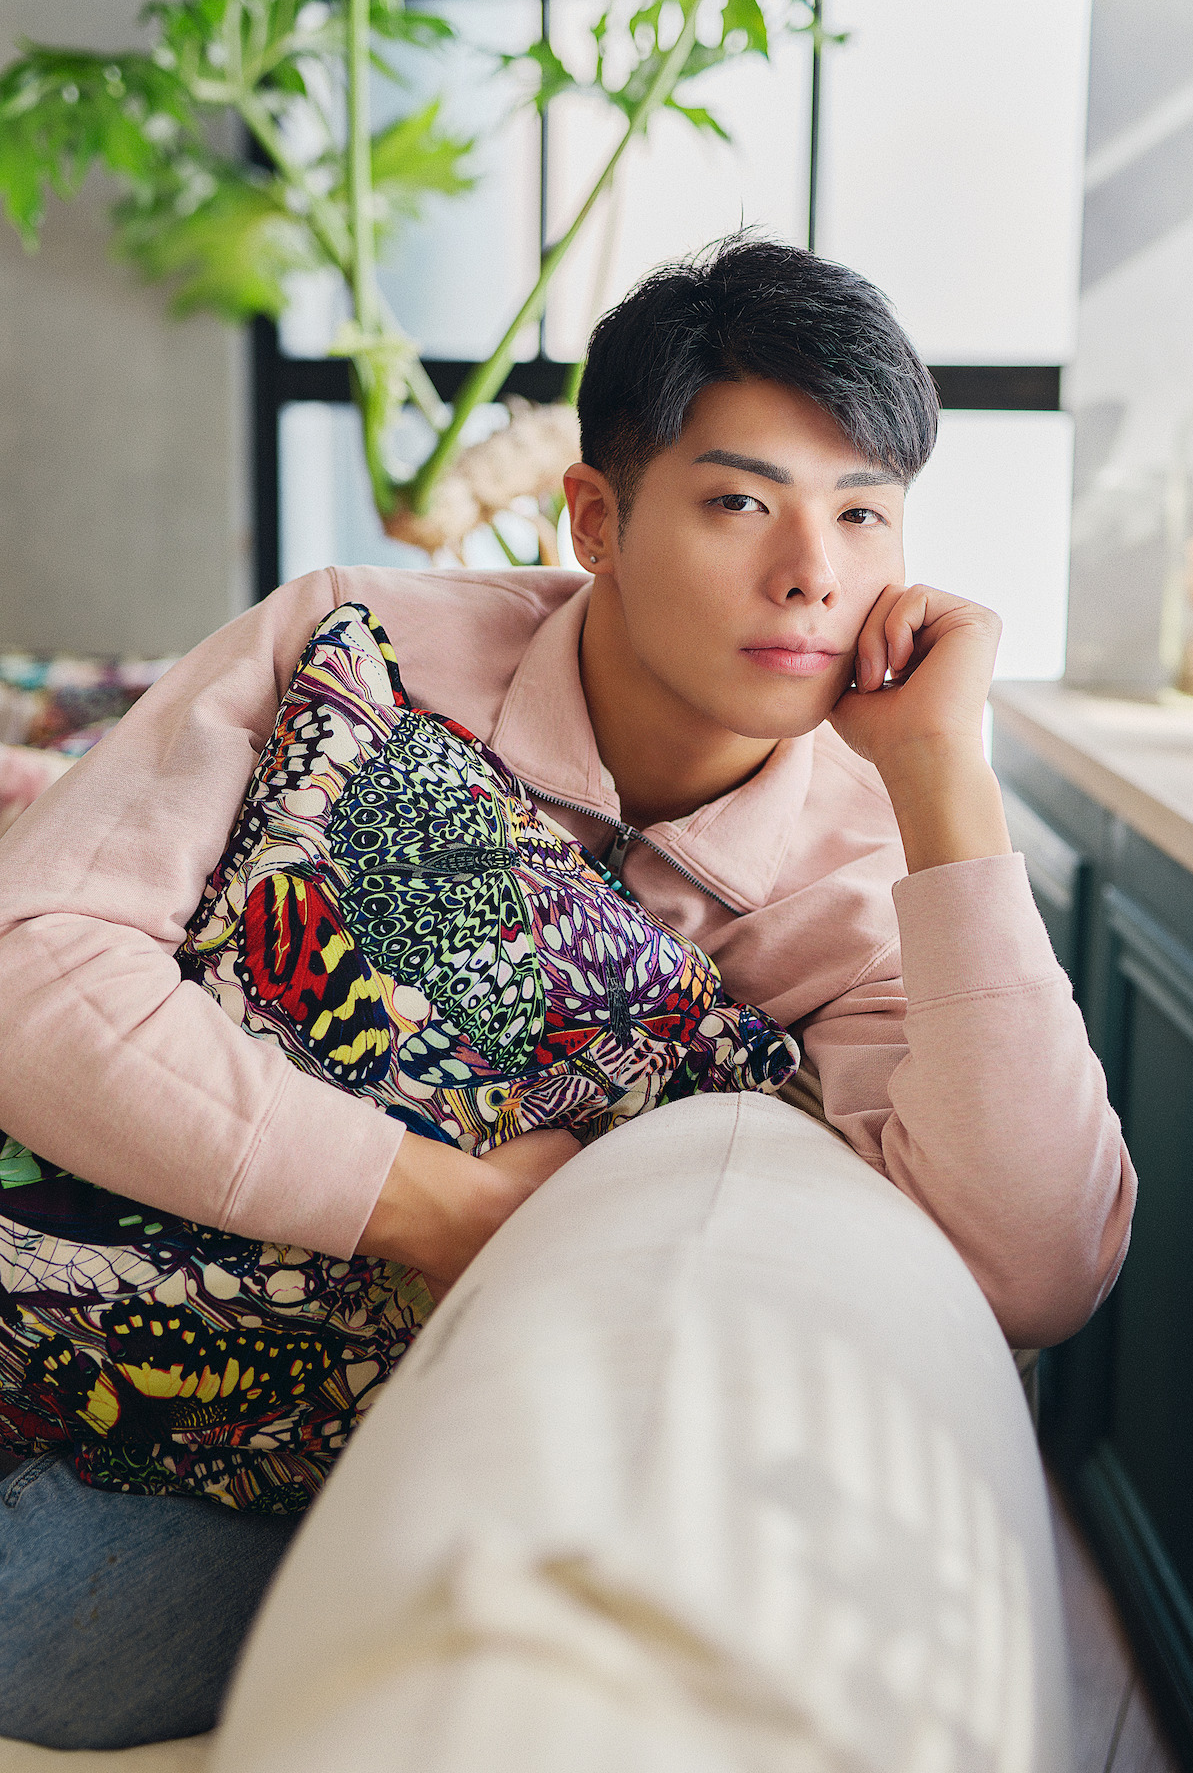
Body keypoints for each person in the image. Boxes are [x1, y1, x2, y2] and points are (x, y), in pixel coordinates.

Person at [0, 236, 1134, 1749]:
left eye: (865, 512)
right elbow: (36, 953)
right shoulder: (359, 644)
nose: (815, 570)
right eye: (742, 503)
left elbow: (1041, 1268)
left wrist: (946, 782)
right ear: (594, 518)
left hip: (279, 1452)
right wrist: (431, 1205)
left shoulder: (863, 877)